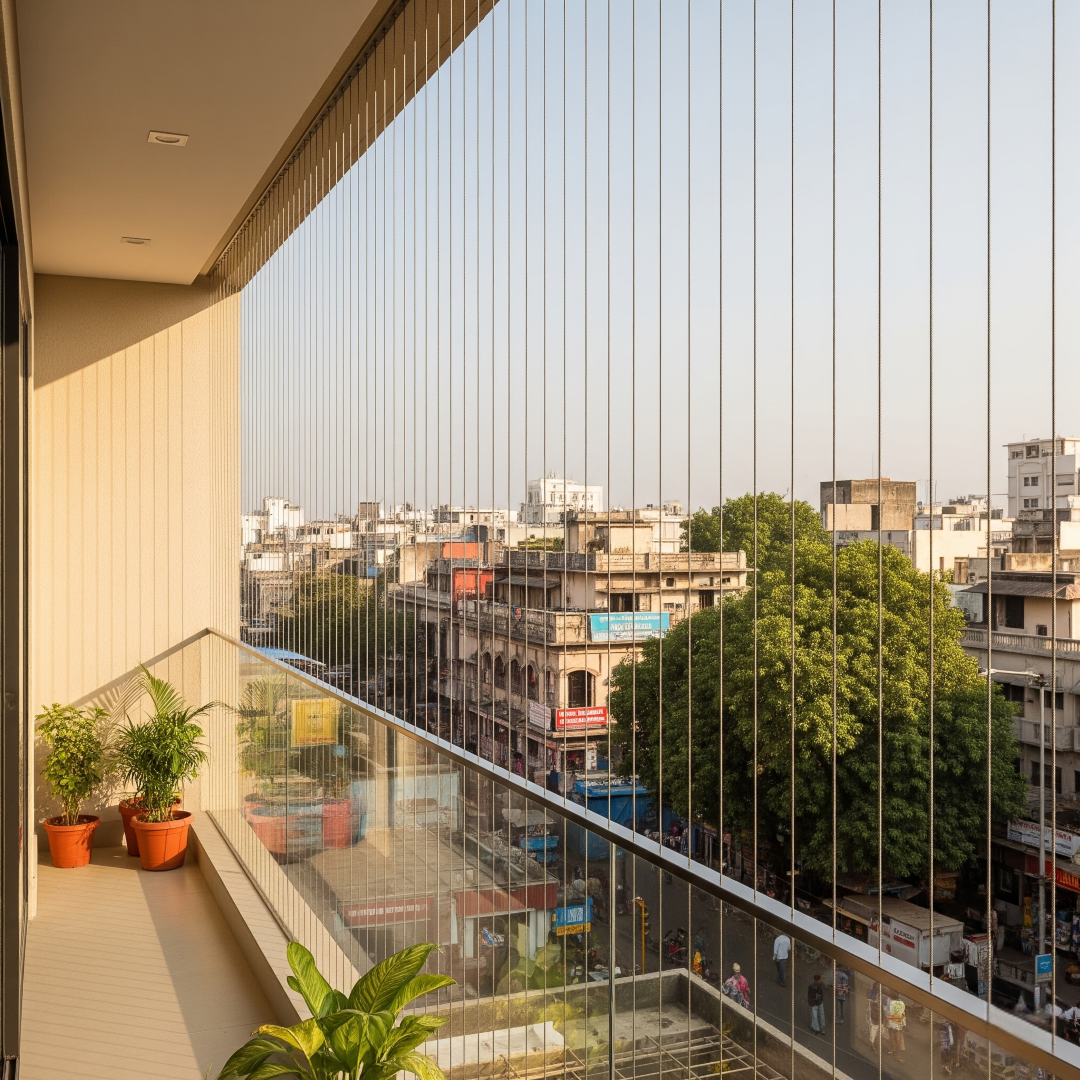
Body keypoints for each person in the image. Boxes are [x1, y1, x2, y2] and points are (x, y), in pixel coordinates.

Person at [886, 997, 907, 1062]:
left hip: (897, 1022)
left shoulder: (900, 1003)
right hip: (892, 1021)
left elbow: (903, 1014)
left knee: (897, 1040)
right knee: (892, 1038)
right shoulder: (889, 1001)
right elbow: (887, 1012)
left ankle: (898, 1055)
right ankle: (893, 1049)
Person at [867, 983, 882, 1050]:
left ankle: (872, 1043)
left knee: (872, 1029)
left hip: (872, 1014)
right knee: (873, 1029)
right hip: (874, 1014)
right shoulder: (875, 994)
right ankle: (871, 1044)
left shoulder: (871, 993)